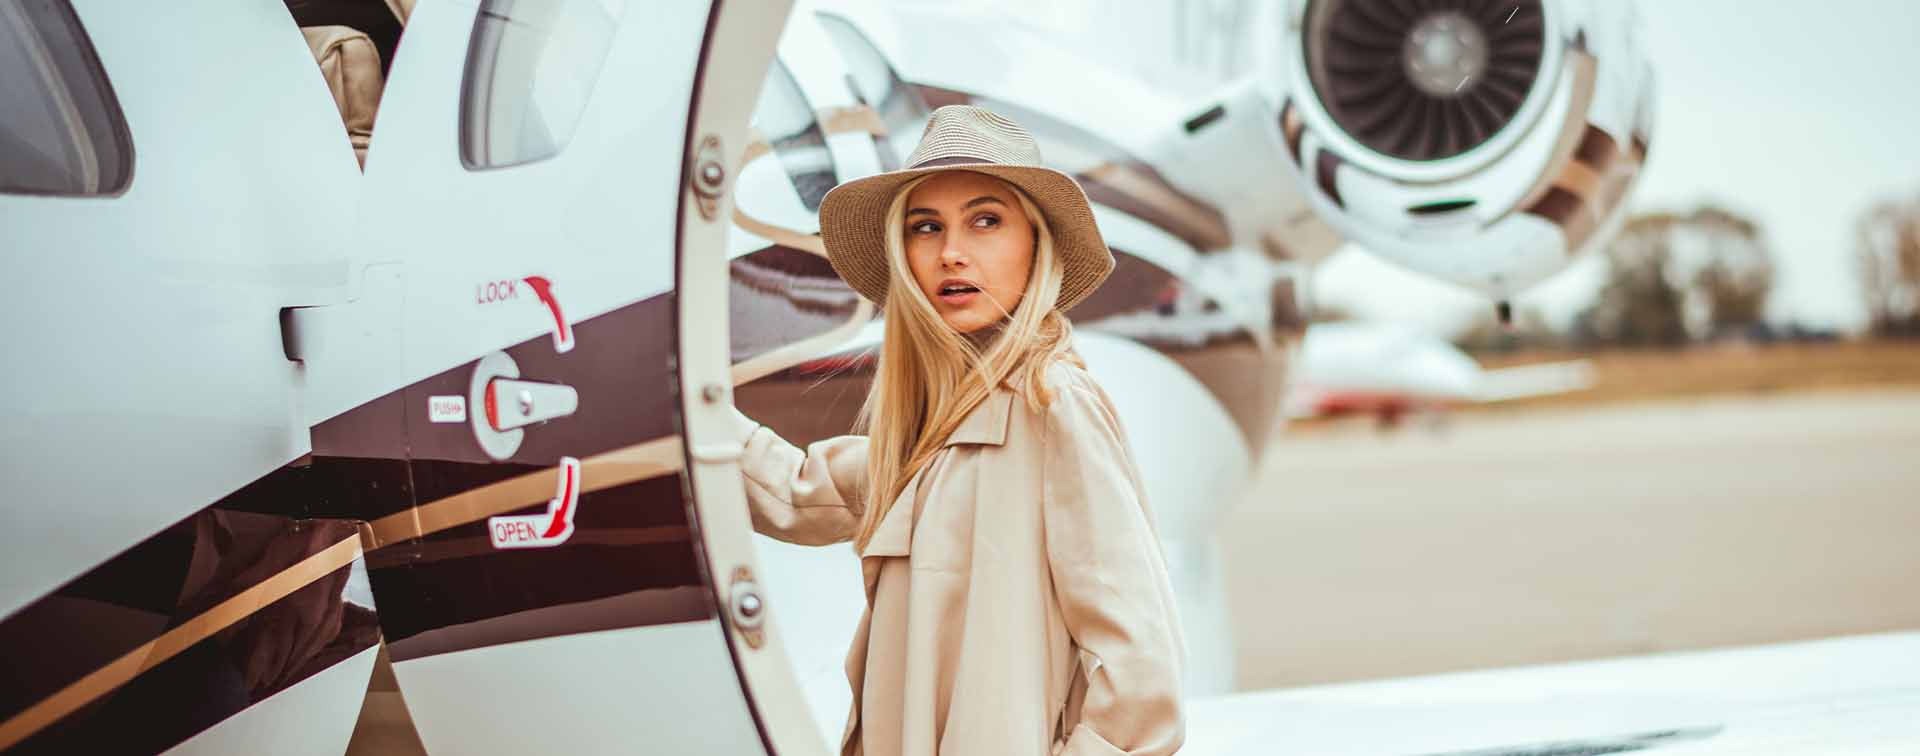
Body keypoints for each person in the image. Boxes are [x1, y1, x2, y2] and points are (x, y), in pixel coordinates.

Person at [730, 105, 1185, 756]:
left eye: (986, 220)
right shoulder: (923, 437)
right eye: (925, 227)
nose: (950, 253)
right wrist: (672, 390)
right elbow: (796, 493)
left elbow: (1140, 675)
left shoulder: (1053, 405)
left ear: (1037, 244)